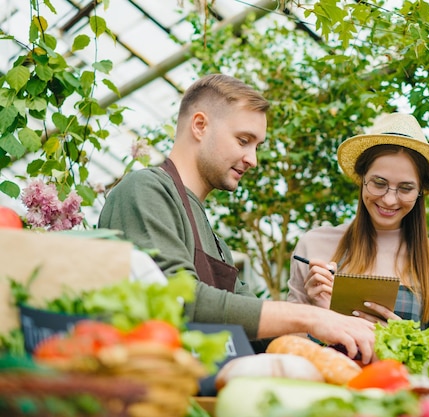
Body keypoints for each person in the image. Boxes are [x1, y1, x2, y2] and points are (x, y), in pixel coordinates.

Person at [98, 73, 375, 362]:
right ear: (200, 125)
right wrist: (309, 317)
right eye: (244, 140)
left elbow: (258, 331)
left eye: (256, 146)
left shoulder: (216, 242)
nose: (253, 159)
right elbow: (176, 300)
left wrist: (327, 319)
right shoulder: (145, 190)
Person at [287, 112, 429, 362]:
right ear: (361, 179)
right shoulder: (314, 245)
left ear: (420, 191)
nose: (389, 199)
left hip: (402, 400)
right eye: (379, 183)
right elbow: (290, 350)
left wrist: (403, 343)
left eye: (405, 188)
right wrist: (318, 315)